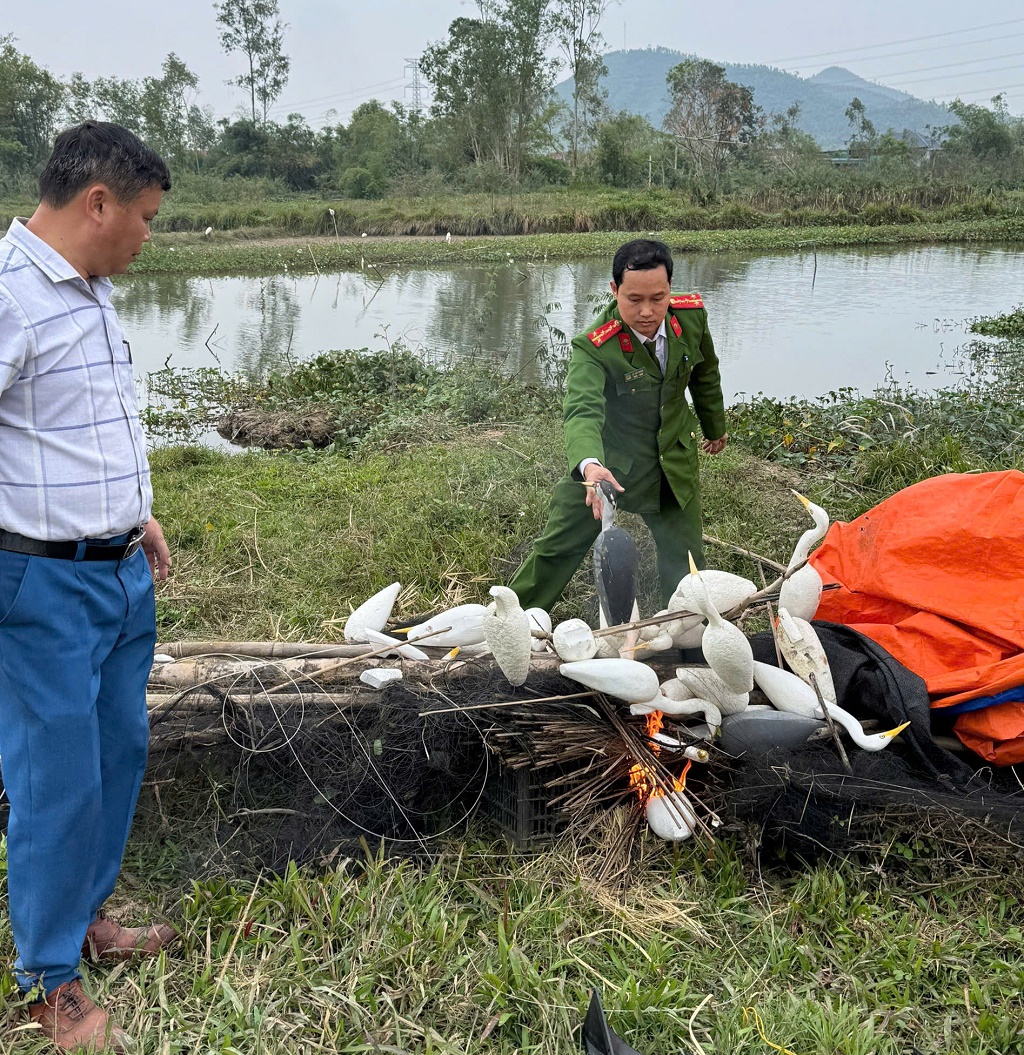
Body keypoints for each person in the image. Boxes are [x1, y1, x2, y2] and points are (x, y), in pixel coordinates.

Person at [0, 122, 177, 1053]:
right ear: (96, 202)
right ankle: (46, 977)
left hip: (116, 568)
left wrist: (133, 511)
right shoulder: (10, 296)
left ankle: (83, 921)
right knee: (56, 778)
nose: (149, 237)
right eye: (143, 218)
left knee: (118, 749)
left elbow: (82, 424)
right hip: (42, 582)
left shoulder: (90, 289)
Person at [509, 238, 728, 614]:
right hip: (609, 468)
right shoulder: (594, 347)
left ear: (670, 288)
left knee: (687, 563)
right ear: (614, 290)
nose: (647, 311)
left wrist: (714, 426)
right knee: (556, 550)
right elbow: (582, 411)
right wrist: (589, 466)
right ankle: (505, 621)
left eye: (657, 299)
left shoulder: (691, 317)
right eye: (633, 300)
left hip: (671, 465)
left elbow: (704, 373)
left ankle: (687, 638)